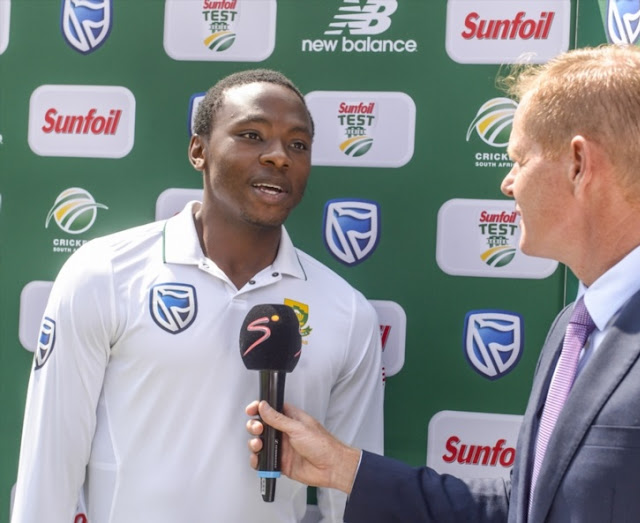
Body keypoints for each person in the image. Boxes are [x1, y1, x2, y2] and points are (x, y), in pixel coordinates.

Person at [246, 45, 640, 522]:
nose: (507, 183)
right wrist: (344, 469)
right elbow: (526, 507)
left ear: (578, 165)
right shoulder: (575, 329)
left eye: (519, 158)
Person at [12, 69, 384, 523]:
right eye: (251, 135)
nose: (279, 157)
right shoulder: (104, 274)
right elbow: (49, 463)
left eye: (298, 144)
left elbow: (351, 497)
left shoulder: (347, 313)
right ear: (198, 151)